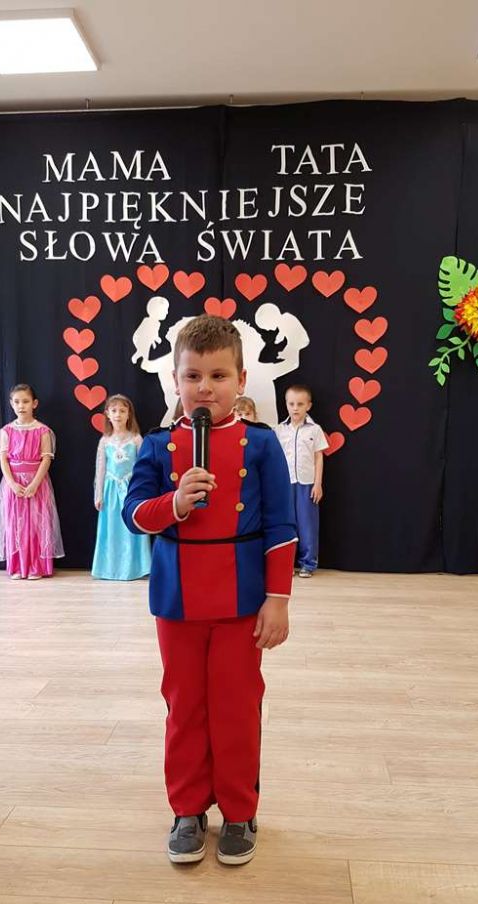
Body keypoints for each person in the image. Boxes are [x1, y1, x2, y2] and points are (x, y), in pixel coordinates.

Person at [123, 315, 296, 866]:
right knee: (184, 705)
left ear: (241, 380)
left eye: (218, 376)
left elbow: (281, 526)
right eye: (193, 376)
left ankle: (240, 810)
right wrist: (174, 503)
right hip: (177, 599)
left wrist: (278, 599)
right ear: (175, 380)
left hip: (242, 597)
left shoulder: (261, 444)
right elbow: (133, 514)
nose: (205, 388)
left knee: (237, 706)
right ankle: (188, 809)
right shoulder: (158, 445)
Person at [0, 383, 64, 580]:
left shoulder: (43, 431)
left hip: (37, 482)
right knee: (15, 523)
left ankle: (36, 566)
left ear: (34, 403)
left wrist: (34, 484)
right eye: (17, 402)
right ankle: (17, 566)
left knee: (36, 524)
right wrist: (11, 483)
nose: (21, 406)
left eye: (25, 401)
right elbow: (3, 460)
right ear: (11, 404)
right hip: (14, 483)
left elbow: (46, 459)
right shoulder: (6, 431)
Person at [91, 394, 151, 581]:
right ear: (107, 414)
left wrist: (142, 492)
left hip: (130, 489)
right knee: (111, 529)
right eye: (114, 410)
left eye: (122, 411)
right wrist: (98, 494)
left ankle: (133, 568)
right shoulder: (105, 441)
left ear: (129, 414)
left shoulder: (136, 439)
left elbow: (143, 467)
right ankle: (110, 568)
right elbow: (100, 469)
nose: (118, 415)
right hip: (110, 491)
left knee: (130, 528)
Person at [275, 384, 328, 579]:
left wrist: (318, 483)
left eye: (300, 404)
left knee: (307, 525)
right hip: (285, 485)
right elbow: (275, 458)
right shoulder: (279, 430)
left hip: (307, 484)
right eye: (291, 404)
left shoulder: (315, 430)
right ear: (286, 404)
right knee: (286, 525)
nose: (295, 408)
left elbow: (318, 457)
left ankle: (308, 564)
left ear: (308, 405)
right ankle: (286, 564)